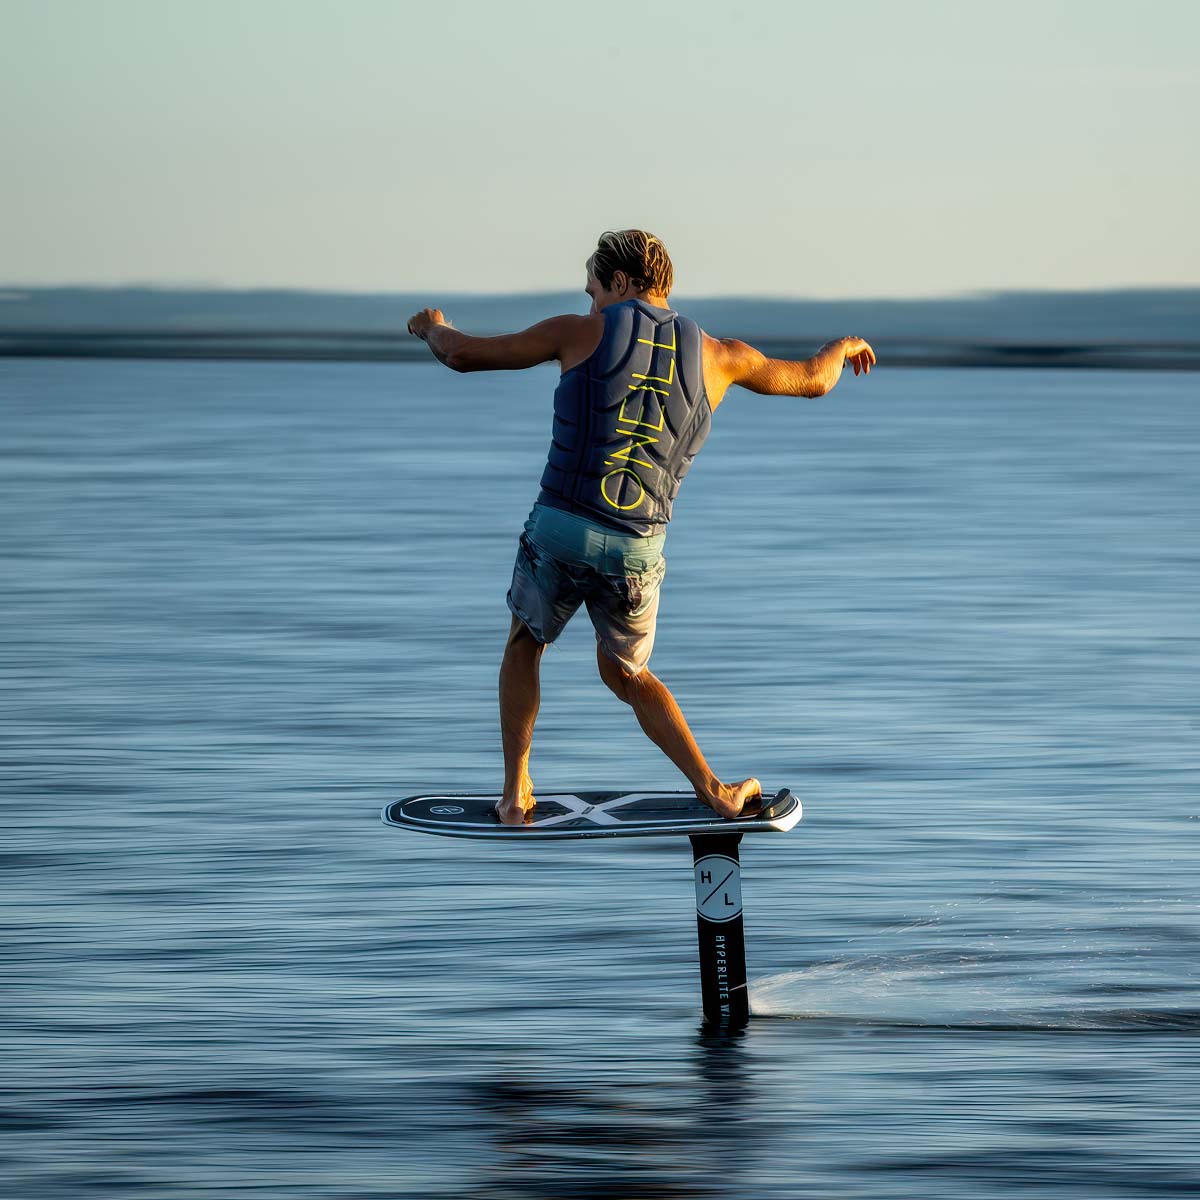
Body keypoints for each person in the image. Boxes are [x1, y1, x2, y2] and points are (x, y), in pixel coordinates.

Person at [407, 230, 875, 826]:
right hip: (636, 549)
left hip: (561, 530)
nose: (590, 304)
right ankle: (715, 790)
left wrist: (431, 326)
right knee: (626, 671)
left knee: (527, 642)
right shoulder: (722, 355)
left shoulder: (577, 332)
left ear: (622, 283)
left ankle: (515, 794)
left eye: (594, 291)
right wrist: (842, 344)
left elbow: (462, 354)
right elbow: (813, 379)